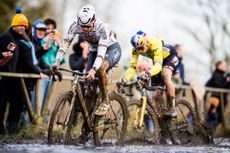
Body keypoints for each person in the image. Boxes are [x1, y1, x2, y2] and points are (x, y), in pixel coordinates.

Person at [52, 4, 121, 142]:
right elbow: (65, 44)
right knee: (89, 90)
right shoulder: (75, 25)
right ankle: (85, 131)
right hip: (94, 50)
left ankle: (105, 100)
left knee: (100, 69)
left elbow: (101, 54)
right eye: (83, 27)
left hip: (110, 49)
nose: (85, 30)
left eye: (88, 27)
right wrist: (57, 61)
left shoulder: (103, 27)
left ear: (94, 20)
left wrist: (93, 69)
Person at [122, 31, 181, 117]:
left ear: (146, 42)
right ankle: (161, 120)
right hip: (158, 59)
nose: (140, 51)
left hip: (170, 56)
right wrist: (124, 79)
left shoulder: (154, 43)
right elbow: (132, 68)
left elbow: (158, 66)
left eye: (141, 48)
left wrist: (148, 73)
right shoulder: (135, 50)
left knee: (165, 74)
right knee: (156, 94)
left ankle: (172, 108)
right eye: (138, 49)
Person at [0, 8, 29, 134]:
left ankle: (12, 130)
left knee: (16, 104)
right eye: (20, 25)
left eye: (25, 26)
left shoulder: (18, 39)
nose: (23, 27)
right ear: (14, 25)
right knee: (1, 105)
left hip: (13, 78)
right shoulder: (6, 37)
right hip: (3, 77)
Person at [205, 60, 230, 126]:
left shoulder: (222, 75)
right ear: (218, 66)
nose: (225, 67)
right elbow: (220, 86)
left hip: (220, 101)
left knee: (216, 120)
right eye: (224, 65)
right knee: (213, 119)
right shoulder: (216, 75)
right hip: (215, 101)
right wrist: (227, 81)